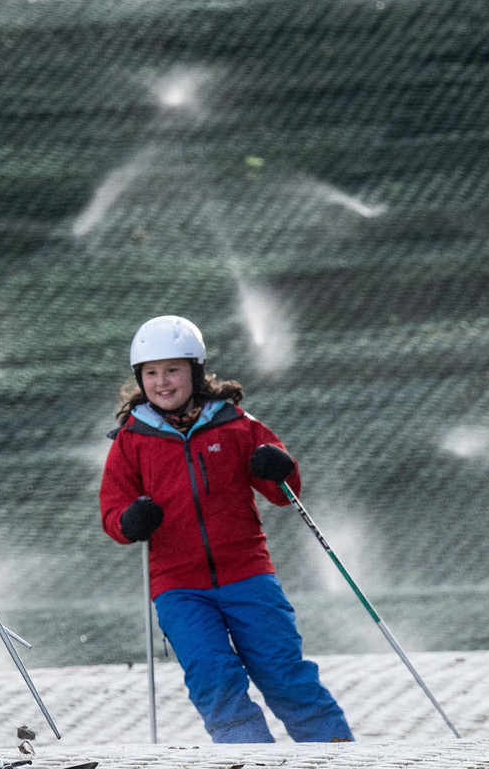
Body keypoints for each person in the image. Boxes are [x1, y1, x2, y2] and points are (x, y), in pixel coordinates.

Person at [99, 315, 354, 744]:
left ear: (195, 372)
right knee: (214, 682)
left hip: (248, 575)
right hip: (178, 587)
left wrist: (279, 467)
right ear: (139, 379)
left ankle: (333, 754)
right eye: (151, 373)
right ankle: (252, 757)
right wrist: (130, 520)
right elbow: (113, 511)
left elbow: (282, 491)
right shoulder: (132, 440)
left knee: (284, 673)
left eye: (173, 369)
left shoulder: (234, 424)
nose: (163, 382)